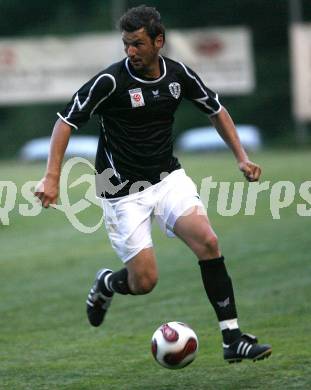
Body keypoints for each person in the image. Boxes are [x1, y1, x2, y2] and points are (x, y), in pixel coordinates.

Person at [35, 5, 271, 363]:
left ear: (158, 41)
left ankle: (232, 339)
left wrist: (241, 156)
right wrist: (52, 176)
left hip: (167, 178)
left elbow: (215, 109)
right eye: (126, 44)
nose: (131, 52)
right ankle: (107, 284)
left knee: (208, 241)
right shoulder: (110, 82)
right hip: (120, 192)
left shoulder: (177, 75)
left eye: (138, 44)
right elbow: (65, 122)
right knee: (144, 282)